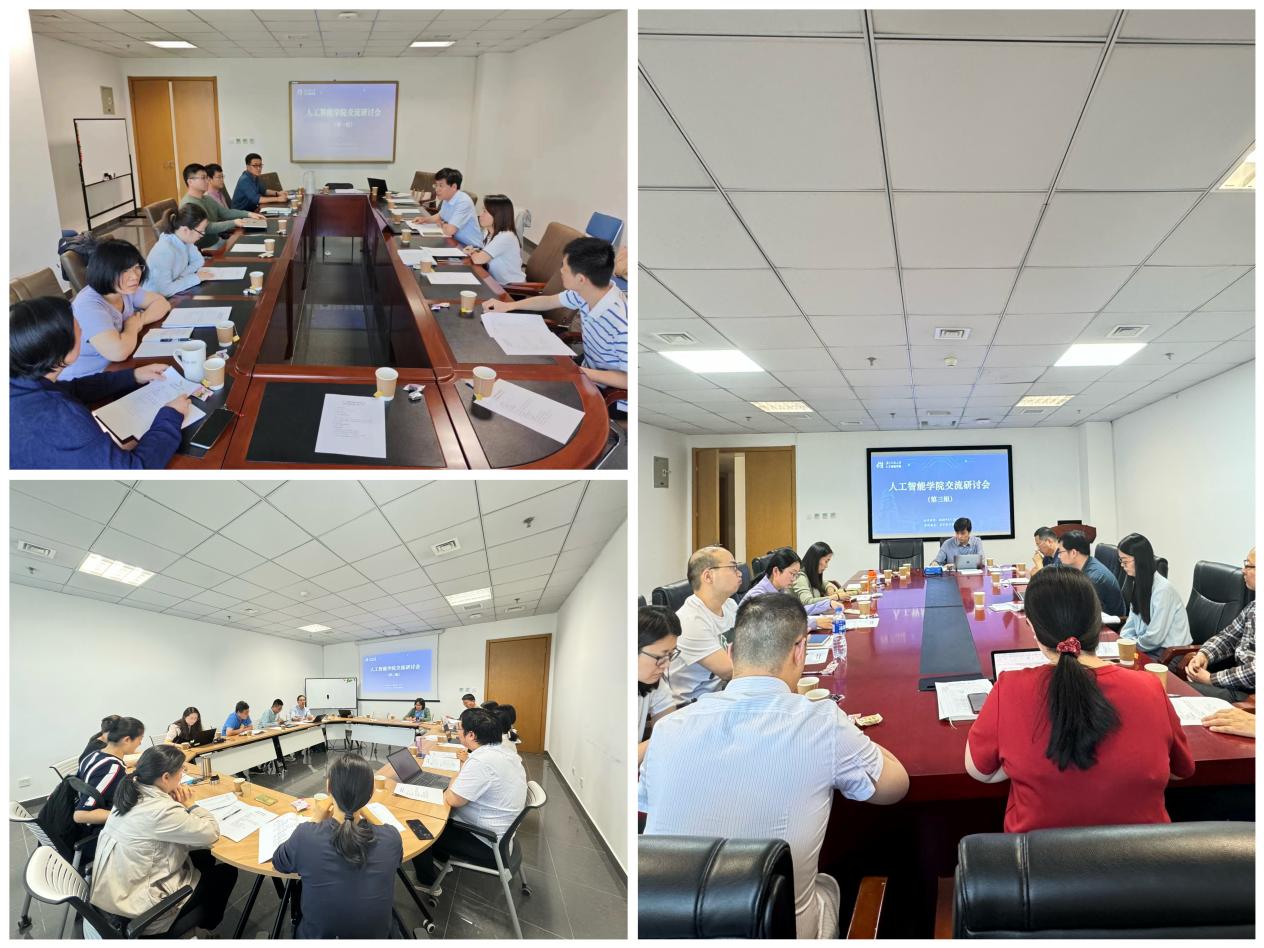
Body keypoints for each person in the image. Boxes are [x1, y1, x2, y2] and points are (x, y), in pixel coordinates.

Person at [641, 595, 909, 939]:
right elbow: (894, 787)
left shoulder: (667, 730)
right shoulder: (821, 722)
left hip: (665, 931)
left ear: (732, 653)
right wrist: (846, 730)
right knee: (827, 884)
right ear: (800, 651)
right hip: (776, 932)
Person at [966, 565, 1194, 831]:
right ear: (1098, 622)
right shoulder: (1150, 687)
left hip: (1039, 856)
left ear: (1033, 628)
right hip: (1142, 856)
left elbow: (980, 771)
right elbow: (1180, 770)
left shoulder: (1009, 688)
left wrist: (1017, 763)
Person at [10, 297, 187, 469]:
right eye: (77, 328)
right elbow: (134, 470)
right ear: (62, 348)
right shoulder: (62, 416)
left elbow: (73, 389)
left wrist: (133, 376)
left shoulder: (20, 381)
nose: (82, 331)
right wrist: (171, 416)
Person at [88, 744, 238, 937]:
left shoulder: (129, 793)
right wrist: (190, 805)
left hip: (115, 894)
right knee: (227, 872)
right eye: (181, 771)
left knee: (204, 857)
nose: (182, 775)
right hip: (140, 911)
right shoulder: (161, 810)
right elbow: (211, 832)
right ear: (166, 777)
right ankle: (202, 927)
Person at [272, 753, 402, 938]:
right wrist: (364, 810)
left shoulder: (306, 836)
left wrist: (315, 818)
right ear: (371, 793)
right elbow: (396, 857)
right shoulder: (391, 838)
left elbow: (279, 862)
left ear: (328, 787)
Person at [483, 237, 628, 397]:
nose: (561, 271)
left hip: (608, 390)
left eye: (564, 267)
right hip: (587, 366)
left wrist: (580, 372)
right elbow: (550, 301)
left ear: (581, 279)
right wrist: (509, 306)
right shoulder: (588, 290)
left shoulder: (622, 323)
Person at [412, 708, 527, 894]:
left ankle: (427, 881)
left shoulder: (482, 761)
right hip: (502, 834)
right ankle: (442, 859)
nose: (457, 733)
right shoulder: (504, 752)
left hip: (487, 842)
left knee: (421, 823)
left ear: (471, 735)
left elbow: (452, 799)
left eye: (460, 729)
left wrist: (453, 778)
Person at [62, 238, 170, 380]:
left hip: (116, 367)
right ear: (105, 271)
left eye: (137, 267)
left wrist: (139, 321)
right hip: (87, 379)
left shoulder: (123, 289)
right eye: (124, 271)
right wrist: (131, 327)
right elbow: (118, 353)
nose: (134, 276)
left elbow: (162, 303)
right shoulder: (88, 306)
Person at [668, 546, 741, 704]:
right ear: (708, 576)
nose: (739, 573)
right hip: (693, 705)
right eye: (733, 567)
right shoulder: (690, 621)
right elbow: (731, 671)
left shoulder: (730, 605)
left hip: (724, 693)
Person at [1185, 548, 1255, 702]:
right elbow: (1228, 637)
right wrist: (1204, 654)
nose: (1243, 571)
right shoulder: (1254, 607)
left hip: (1251, 696)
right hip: (1235, 681)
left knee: (1180, 691)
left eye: (1249, 566)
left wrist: (1212, 679)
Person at [1118, 533, 1192, 652]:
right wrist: (1124, 641)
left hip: (1168, 652)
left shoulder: (1163, 590)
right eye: (1121, 560)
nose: (1122, 565)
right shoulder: (1138, 583)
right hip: (1146, 646)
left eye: (1125, 561)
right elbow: (1131, 624)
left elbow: (1155, 637)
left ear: (1140, 560)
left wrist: (1132, 645)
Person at [740, 547, 837, 631]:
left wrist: (827, 604)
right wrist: (815, 622)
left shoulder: (780, 590)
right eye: (792, 574)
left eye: (796, 575)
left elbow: (795, 611)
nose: (794, 579)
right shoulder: (758, 596)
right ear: (776, 571)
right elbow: (779, 624)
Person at [75, 716, 146, 828]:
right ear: (127, 740)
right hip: (101, 829)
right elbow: (80, 815)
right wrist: (130, 815)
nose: (140, 743)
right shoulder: (112, 768)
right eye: (140, 738)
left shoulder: (95, 755)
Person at [180, 162, 262, 251]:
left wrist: (249, 214)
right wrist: (234, 222)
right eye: (203, 178)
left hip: (217, 241)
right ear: (190, 181)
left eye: (207, 177)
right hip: (205, 248)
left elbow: (225, 213)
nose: (207, 181)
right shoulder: (189, 204)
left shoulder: (207, 198)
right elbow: (207, 228)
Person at [638, 605, 680, 765]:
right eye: (660, 657)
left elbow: (669, 731)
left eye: (671, 654)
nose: (666, 665)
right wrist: (660, 740)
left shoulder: (654, 682)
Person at [143, 203, 213, 296]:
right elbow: (165, 290)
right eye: (200, 231)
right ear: (185, 230)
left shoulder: (185, 239)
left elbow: (199, 260)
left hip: (175, 291)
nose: (202, 235)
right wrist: (195, 278)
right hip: (155, 298)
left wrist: (182, 276)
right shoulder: (164, 250)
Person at [1057, 530, 1127, 618]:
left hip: (1109, 622)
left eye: (1060, 552)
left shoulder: (1094, 579)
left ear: (1073, 553)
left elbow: (1085, 613)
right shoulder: (1085, 564)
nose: (1059, 556)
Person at [464, 194, 525, 285]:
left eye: (485, 211)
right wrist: (475, 251)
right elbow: (486, 253)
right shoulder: (489, 232)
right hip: (494, 282)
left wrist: (472, 252)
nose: (480, 215)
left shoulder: (505, 236)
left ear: (498, 215)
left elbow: (478, 259)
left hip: (511, 288)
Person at [422, 167, 483, 248]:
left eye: (441, 186)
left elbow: (449, 231)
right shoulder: (447, 198)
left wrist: (442, 224)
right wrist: (424, 220)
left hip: (470, 247)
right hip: (454, 241)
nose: (437, 189)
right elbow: (440, 216)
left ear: (454, 187)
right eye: (436, 185)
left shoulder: (463, 202)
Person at [792, 541, 847, 606]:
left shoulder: (810, 574)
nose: (826, 566)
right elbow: (807, 602)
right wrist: (836, 597)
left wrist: (828, 587)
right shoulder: (800, 577)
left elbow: (821, 583)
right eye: (826, 561)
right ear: (816, 559)